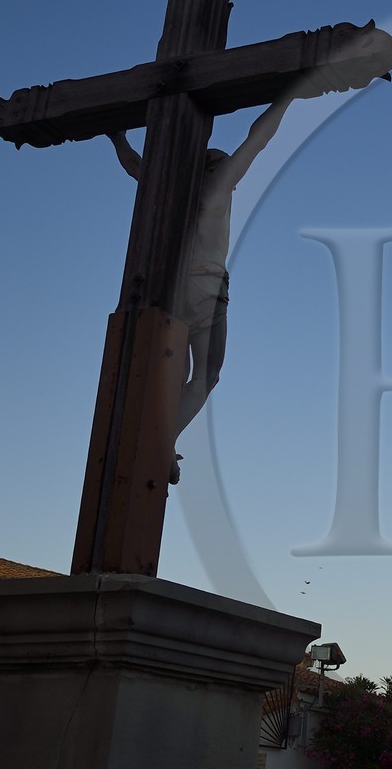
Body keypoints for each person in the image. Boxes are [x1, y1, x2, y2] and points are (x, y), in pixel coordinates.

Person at [107, 98, 290, 483]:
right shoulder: (219, 188)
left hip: (171, 285)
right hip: (208, 288)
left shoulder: (174, 190)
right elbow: (258, 140)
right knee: (207, 376)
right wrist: (288, 96)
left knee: (180, 372)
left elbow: (132, 165)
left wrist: (116, 135)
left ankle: (161, 442)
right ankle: (162, 440)